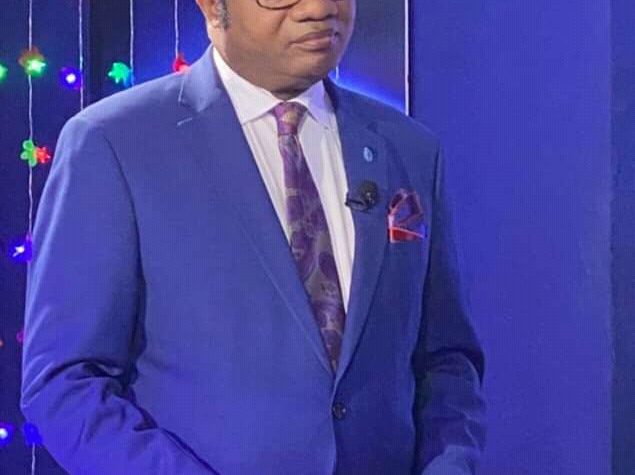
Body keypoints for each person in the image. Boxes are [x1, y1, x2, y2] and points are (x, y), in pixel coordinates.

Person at [20, 0, 487, 473]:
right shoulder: (114, 143)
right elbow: (65, 383)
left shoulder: (409, 148)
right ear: (212, 6)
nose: (319, 8)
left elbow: (446, 362)